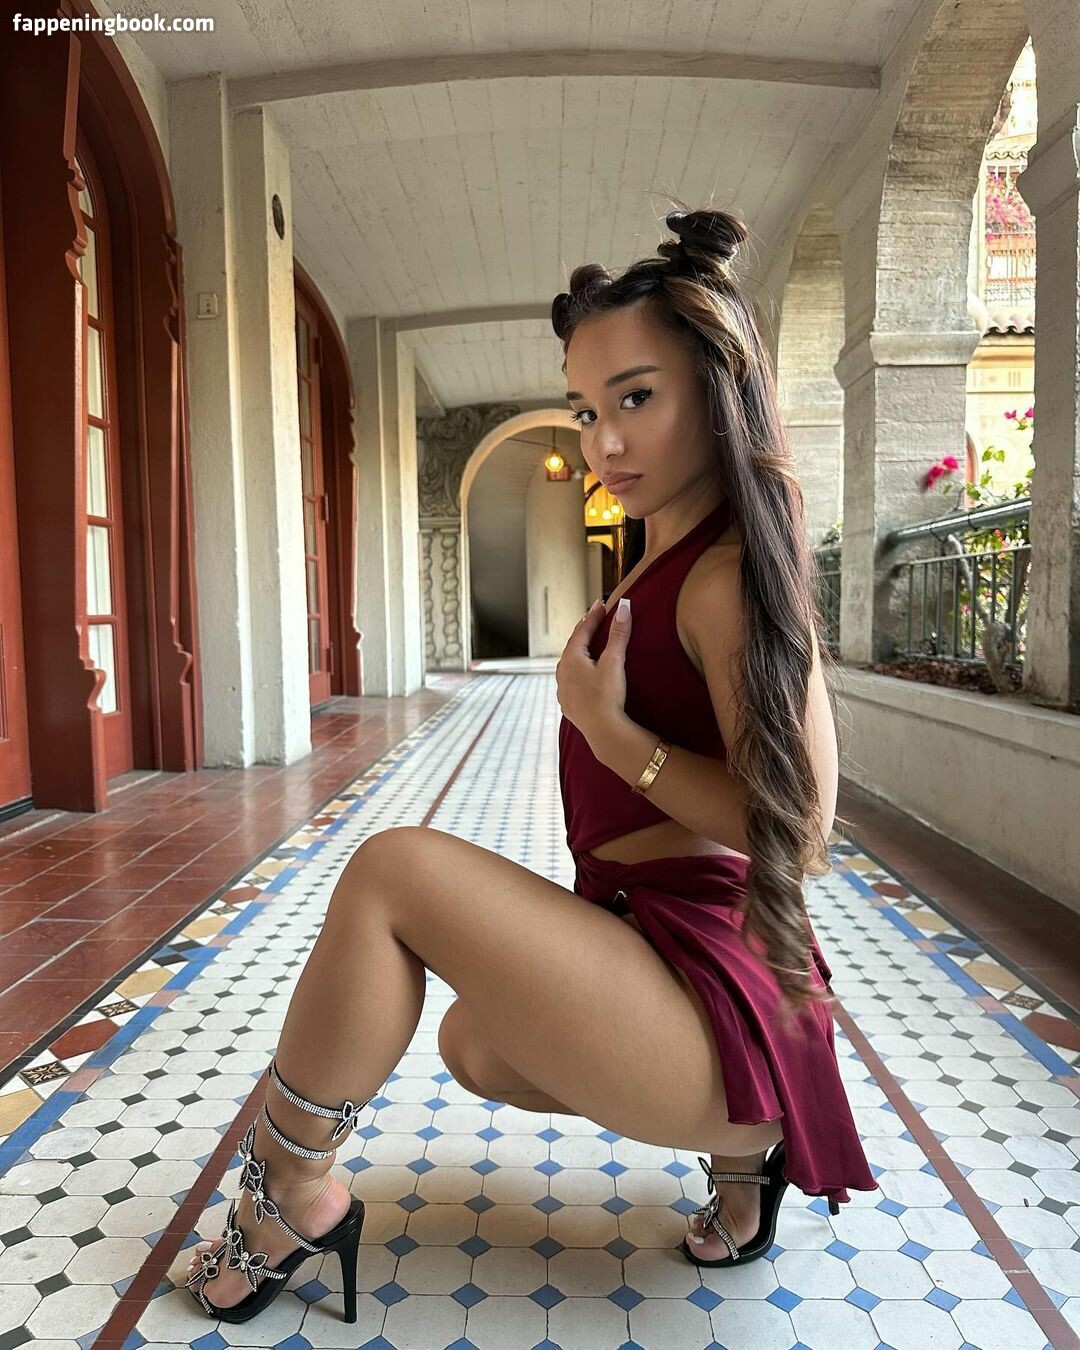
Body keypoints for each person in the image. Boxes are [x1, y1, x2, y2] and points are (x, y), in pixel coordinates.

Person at [184, 205, 878, 1324]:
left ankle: (286, 1197)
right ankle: (748, 1166)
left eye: (637, 399)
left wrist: (613, 738)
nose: (605, 443)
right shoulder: (666, 555)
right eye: (587, 410)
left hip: (720, 991)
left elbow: (801, 831)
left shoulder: (727, 578)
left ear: (718, 388)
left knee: (394, 871)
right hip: (660, 940)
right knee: (474, 1044)